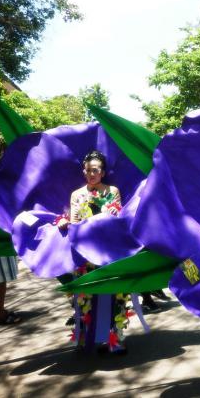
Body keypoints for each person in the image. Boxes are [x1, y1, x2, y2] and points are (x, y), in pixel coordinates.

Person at [57, 150, 130, 353]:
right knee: (85, 296)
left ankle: (115, 339)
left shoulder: (112, 191)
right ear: (84, 171)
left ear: (103, 172)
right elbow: (74, 223)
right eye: (88, 170)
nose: (91, 174)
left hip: (109, 252)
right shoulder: (77, 195)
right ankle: (85, 336)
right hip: (85, 254)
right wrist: (64, 223)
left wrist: (114, 214)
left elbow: (120, 219)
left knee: (115, 295)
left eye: (95, 170)